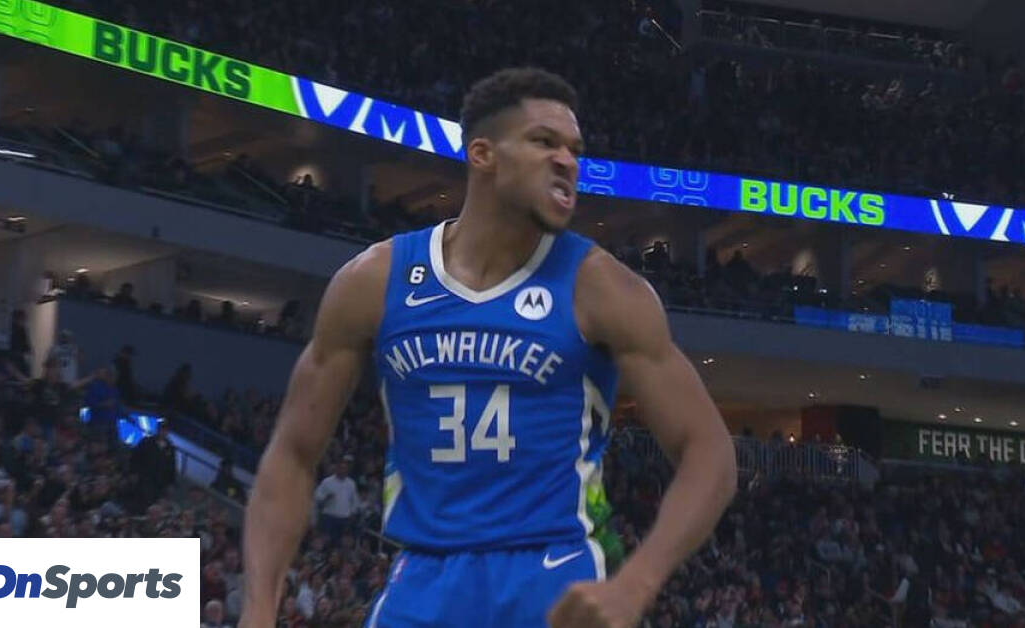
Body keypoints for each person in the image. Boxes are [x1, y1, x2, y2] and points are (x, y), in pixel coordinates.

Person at [240, 68, 737, 628]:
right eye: (544, 142)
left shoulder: (602, 288)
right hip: (421, 582)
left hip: (553, 578)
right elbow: (292, 453)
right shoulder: (374, 280)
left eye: (574, 150)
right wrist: (258, 609)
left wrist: (636, 583)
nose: (567, 161)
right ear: (482, 154)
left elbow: (711, 453)